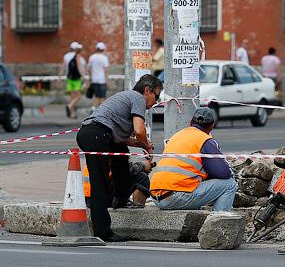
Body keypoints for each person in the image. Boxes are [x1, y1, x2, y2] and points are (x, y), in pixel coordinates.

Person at [76, 74, 162, 242]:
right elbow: (139, 129)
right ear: (147, 90)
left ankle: (120, 197)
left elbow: (119, 138)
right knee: (99, 184)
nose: (156, 101)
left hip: (99, 134)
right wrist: (145, 144)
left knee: (122, 158)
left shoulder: (126, 97)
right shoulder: (138, 98)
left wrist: (139, 144)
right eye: (156, 96)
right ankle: (103, 232)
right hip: (96, 135)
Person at [150, 107, 237, 211]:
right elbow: (224, 173)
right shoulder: (205, 140)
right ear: (211, 126)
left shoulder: (177, 135)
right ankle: (217, 223)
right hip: (175, 197)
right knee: (229, 184)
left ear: (191, 122)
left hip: (156, 196)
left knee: (194, 185)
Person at [62, 42, 86, 119]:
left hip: (69, 78)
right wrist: (83, 76)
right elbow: (80, 67)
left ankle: (72, 113)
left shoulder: (67, 56)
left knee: (72, 96)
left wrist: (59, 77)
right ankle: (70, 106)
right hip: (76, 79)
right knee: (78, 96)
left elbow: (63, 67)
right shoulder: (78, 57)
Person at [88, 42, 109, 109]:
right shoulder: (104, 58)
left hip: (94, 79)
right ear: (103, 49)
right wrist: (107, 81)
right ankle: (94, 109)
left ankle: (98, 109)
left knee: (97, 95)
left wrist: (90, 78)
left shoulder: (92, 57)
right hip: (102, 80)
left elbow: (89, 69)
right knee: (101, 96)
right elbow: (105, 70)